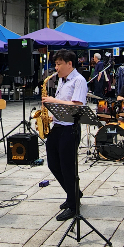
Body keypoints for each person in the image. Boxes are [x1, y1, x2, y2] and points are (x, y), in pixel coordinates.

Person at [42, 49, 88, 222]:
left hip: (70, 128)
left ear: (69, 64)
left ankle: (73, 203)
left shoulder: (79, 80)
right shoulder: (62, 80)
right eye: (55, 64)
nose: (56, 67)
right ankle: (74, 192)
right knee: (53, 164)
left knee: (68, 167)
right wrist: (51, 114)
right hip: (58, 126)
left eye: (59, 64)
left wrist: (54, 101)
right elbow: (64, 106)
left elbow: (76, 105)